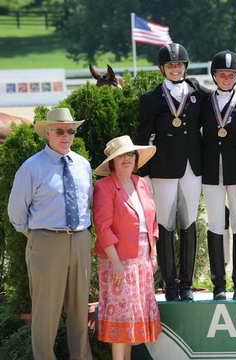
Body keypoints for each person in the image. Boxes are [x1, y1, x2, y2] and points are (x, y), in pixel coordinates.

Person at [7, 108, 93, 360]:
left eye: (70, 130)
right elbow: (16, 211)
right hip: (46, 241)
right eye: (59, 130)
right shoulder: (31, 167)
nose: (66, 135)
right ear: (47, 133)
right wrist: (36, 237)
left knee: (79, 310)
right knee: (46, 312)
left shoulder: (83, 165)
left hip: (79, 240)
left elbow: (87, 203)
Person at [136, 43, 208, 301]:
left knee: (188, 223)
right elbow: (143, 135)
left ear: (185, 67)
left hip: (192, 166)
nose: (175, 69)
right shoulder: (150, 99)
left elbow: (223, 100)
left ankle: (187, 282)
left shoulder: (198, 92)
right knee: (165, 223)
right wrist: (142, 171)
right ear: (162, 69)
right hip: (163, 169)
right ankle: (170, 283)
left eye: (178, 65)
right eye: (170, 65)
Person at [93, 136, 161, 359]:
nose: (127, 159)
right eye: (121, 155)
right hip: (118, 260)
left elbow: (151, 222)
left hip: (142, 260)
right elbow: (102, 228)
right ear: (112, 161)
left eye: (131, 154)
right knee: (121, 319)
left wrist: (154, 254)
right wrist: (115, 263)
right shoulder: (104, 186)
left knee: (131, 321)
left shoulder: (141, 182)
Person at [200, 50, 236, 300]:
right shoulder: (205, 101)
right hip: (211, 172)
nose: (226, 78)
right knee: (215, 225)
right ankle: (219, 283)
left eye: (231, 75)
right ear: (214, 76)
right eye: (222, 74)